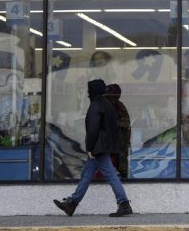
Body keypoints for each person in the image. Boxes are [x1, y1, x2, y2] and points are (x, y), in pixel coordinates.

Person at [53, 79, 133, 217]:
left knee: (110, 174)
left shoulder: (96, 105)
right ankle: (72, 203)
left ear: (93, 91)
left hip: (98, 147)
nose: (87, 92)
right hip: (103, 145)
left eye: (89, 90)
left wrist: (90, 147)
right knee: (87, 173)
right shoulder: (107, 104)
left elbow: (93, 129)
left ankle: (124, 203)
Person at [105, 83, 131, 178]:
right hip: (110, 144)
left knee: (121, 168)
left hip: (120, 143)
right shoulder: (106, 105)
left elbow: (126, 123)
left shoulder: (120, 106)